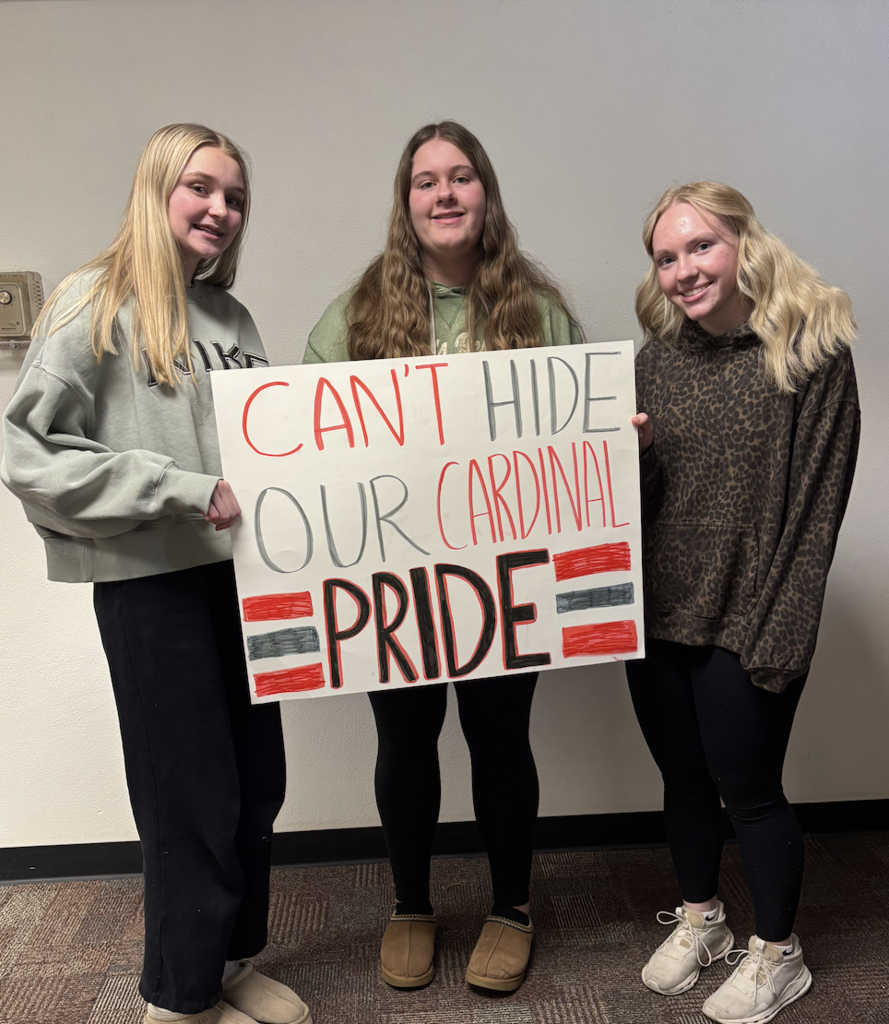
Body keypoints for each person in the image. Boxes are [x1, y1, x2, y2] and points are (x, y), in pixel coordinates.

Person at [2, 124, 312, 1024]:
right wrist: (177, 489)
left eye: (236, 196)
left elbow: (264, 451)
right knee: (189, 795)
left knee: (256, 783)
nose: (221, 209)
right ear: (156, 190)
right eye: (201, 188)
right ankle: (176, 1002)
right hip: (154, 585)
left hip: (246, 582)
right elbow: (29, 453)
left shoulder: (232, 318)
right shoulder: (92, 301)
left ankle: (227, 961)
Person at [304, 120, 583, 993]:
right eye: (426, 182)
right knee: (405, 738)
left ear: (485, 194)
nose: (445, 194)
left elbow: (577, 434)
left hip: (502, 578)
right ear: (406, 203)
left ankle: (511, 906)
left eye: (461, 177)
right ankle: (411, 904)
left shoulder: (536, 310)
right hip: (392, 584)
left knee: (499, 737)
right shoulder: (354, 312)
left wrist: (609, 441)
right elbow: (301, 436)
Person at [627, 181, 859, 1024]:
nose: (683, 270)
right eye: (666, 256)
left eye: (700, 247)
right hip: (658, 611)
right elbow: (643, 502)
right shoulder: (653, 361)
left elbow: (817, 507)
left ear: (742, 244)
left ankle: (778, 954)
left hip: (749, 615)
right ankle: (703, 923)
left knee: (749, 790)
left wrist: (778, 637)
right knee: (681, 780)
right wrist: (634, 458)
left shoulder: (810, 352)